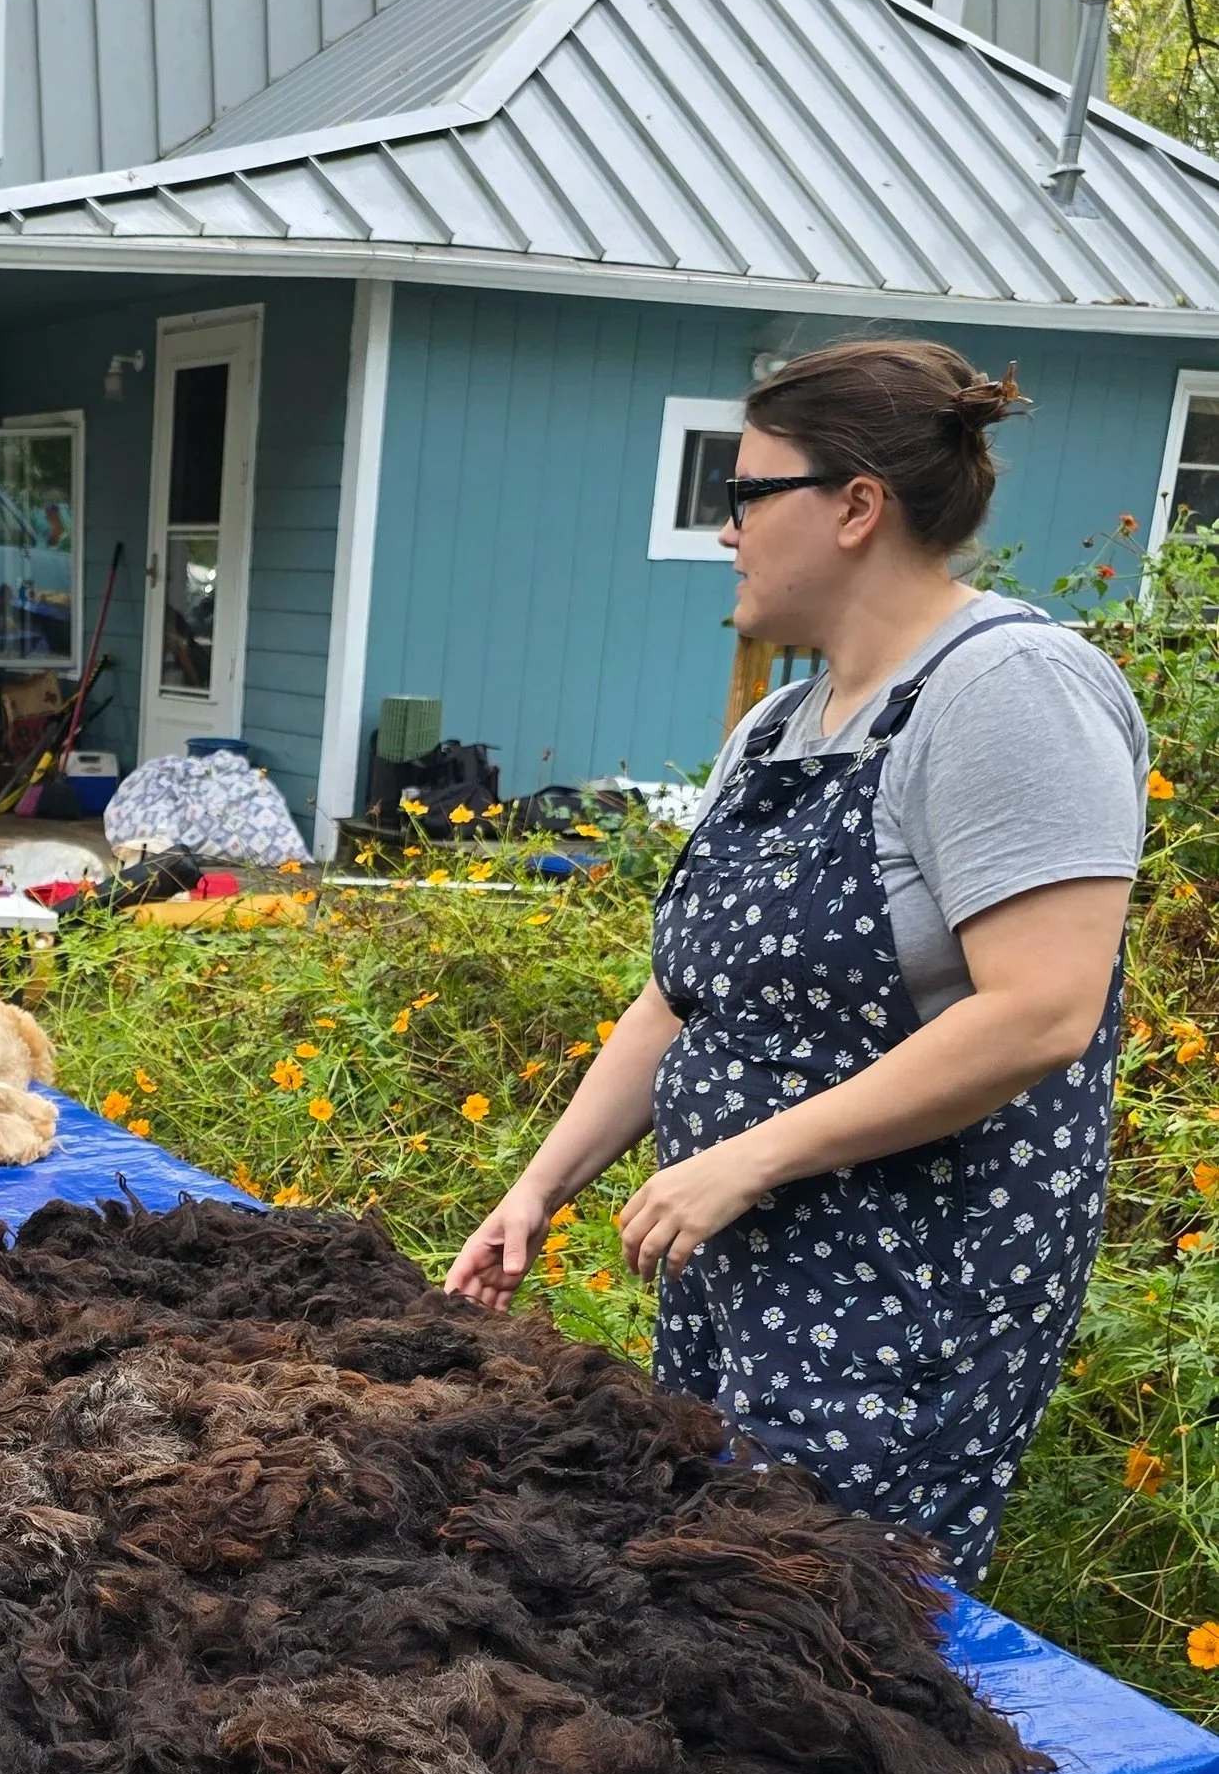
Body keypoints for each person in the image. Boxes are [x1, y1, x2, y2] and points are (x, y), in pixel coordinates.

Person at [448, 338, 1144, 1587]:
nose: (726, 533)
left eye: (745, 495)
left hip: (898, 1306)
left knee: (829, 1633)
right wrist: (537, 1190)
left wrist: (744, 1162)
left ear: (854, 508)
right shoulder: (782, 723)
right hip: (742, 1281)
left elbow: (1041, 1009)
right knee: (710, 1600)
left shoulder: (1008, 691)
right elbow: (681, 995)